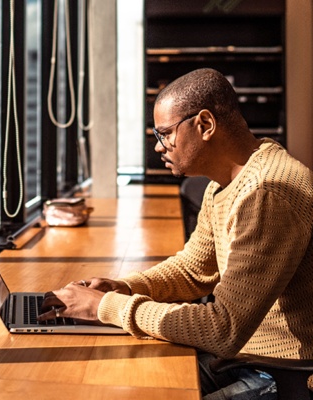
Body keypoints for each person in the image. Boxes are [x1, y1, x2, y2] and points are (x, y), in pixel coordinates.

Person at [38, 68, 313, 399]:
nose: (158, 147)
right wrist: (123, 287)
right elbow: (193, 270)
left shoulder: (267, 192)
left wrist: (105, 307)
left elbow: (223, 329)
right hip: (240, 357)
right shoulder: (226, 182)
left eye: (165, 133)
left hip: (276, 373)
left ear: (205, 125)